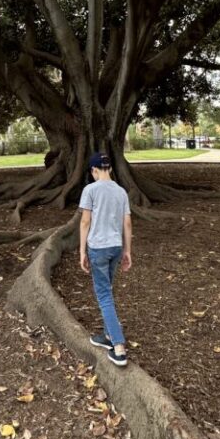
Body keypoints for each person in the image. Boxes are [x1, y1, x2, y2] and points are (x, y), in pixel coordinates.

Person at [79, 151, 132, 368]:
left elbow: (84, 222)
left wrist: (82, 251)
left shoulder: (90, 189)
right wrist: (128, 251)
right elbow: (127, 224)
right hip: (116, 247)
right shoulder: (121, 192)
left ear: (94, 170)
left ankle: (118, 347)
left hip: (98, 248)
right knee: (107, 290)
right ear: (109, 168)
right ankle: (107, 335)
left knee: (104, 295)